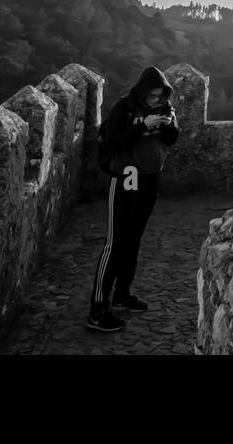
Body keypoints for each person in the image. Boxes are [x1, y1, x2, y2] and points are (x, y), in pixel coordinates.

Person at [86, 66, 179, 332]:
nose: (156, 101)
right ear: (141, 92)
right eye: (152, 96)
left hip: (151, 177)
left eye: (161, 96)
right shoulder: (124, 109)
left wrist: (169, 122)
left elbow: (172, 140)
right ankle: (97, 310)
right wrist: (141, 126)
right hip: (127, 176)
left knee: (134, 239)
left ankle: (122, 294)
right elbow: (113, 142)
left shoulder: (164, 108)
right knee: (115, 243)